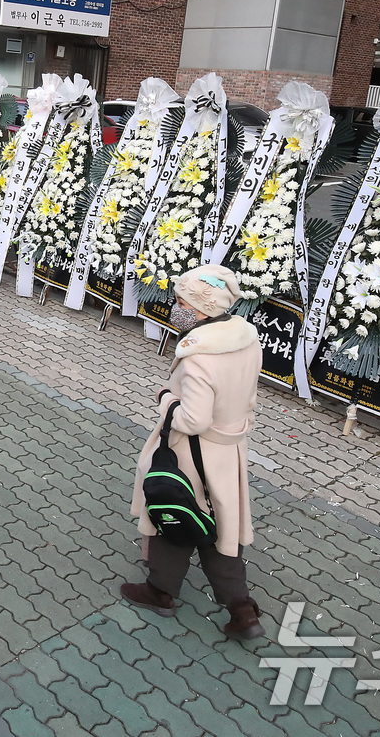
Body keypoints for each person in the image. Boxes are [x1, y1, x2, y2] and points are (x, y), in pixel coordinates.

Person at [120, 264, 266, 640]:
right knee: (221, 530)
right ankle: (243, 610)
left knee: (173, 518)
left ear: (201, 309)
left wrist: (166, 399)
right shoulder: (247, 338)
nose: (175, 307)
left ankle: (160, 592)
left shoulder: (199, 356)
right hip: (228, 451)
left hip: (192, 453)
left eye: (181, 301)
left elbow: (194, 419)